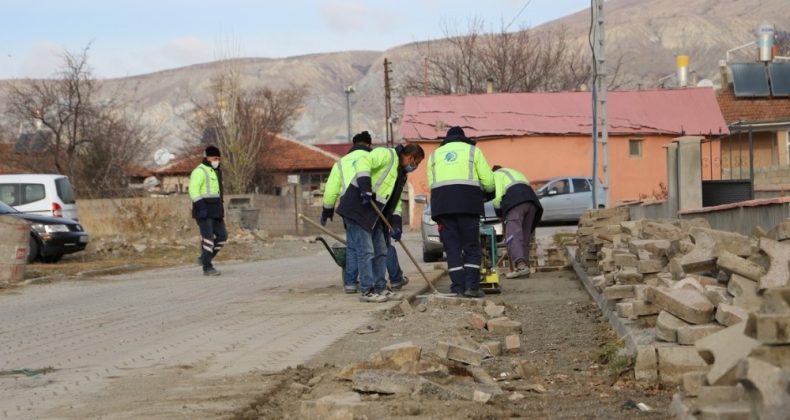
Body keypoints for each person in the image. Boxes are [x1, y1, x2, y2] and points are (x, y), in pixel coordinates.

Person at [335, 142, 424, 303]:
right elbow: (363, 162)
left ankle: (380, 287)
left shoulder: (401, 174)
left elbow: (395, 202)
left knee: (381, 250)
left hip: (375, 215)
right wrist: (365, 187)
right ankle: (367, 291)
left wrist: (396, 224)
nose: (415, 167)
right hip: (358, 208)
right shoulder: (386, 154)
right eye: (416, 163)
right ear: (411, 157)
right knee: (366, 251)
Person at [427, 126, 494, 298]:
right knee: (471, 246)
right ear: (463, 138)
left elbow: (431, 183)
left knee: (452, 248)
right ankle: (471, 287)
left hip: (442, 207)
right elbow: (488, 181)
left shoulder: (434, 155)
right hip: (467, 204)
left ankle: (457, 287)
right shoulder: (473, 151)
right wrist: (489, 192)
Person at [322, 131, 373, 294]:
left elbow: (331, 189)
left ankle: (350, 282)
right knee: (369, 246)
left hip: (347, 206)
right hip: (368, 203)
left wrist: (327, 209)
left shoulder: (341, 162)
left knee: (352, 245)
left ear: (353, 144)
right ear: (369, 144)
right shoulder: (372, 158)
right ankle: (371, 282)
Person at [491, 165, 543, 279]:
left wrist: (499, 214)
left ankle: (521, 266)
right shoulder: (514, 172)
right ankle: (524, 268)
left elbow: (497, 198)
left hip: (515, 203)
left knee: (513, 236)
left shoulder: (496, 175)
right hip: (532, 203)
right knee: (524, 236)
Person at [189, 145, 228, 276]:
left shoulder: (216, 171)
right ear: (207, 157)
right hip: (204, 211)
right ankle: (207, 267)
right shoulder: (199, 171)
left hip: (216, 211)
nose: (217, 161)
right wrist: (201, 207)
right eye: (214, 158)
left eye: (218, 158)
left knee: (222, 236)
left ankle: (204, 258)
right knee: (208, 239)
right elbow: (193, 190)